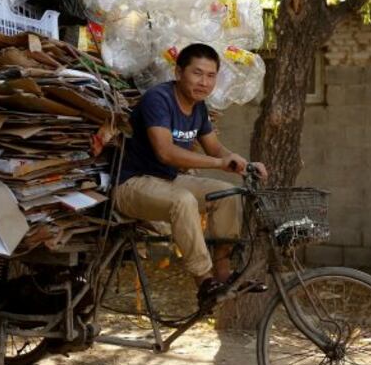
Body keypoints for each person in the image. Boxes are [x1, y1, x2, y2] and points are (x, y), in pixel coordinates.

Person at [113, 42, 268, 308]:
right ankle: (204, 281)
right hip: (132, 184)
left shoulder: (198, 108)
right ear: (178, 73)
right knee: (183, 200)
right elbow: (166, 153)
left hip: (167, 181)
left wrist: (245, 163)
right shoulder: (158, 99)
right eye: (197, 73)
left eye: (210, 76)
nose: (204, 82)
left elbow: (216, 148)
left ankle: (222, 273)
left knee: (226, 195)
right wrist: (220, 162)